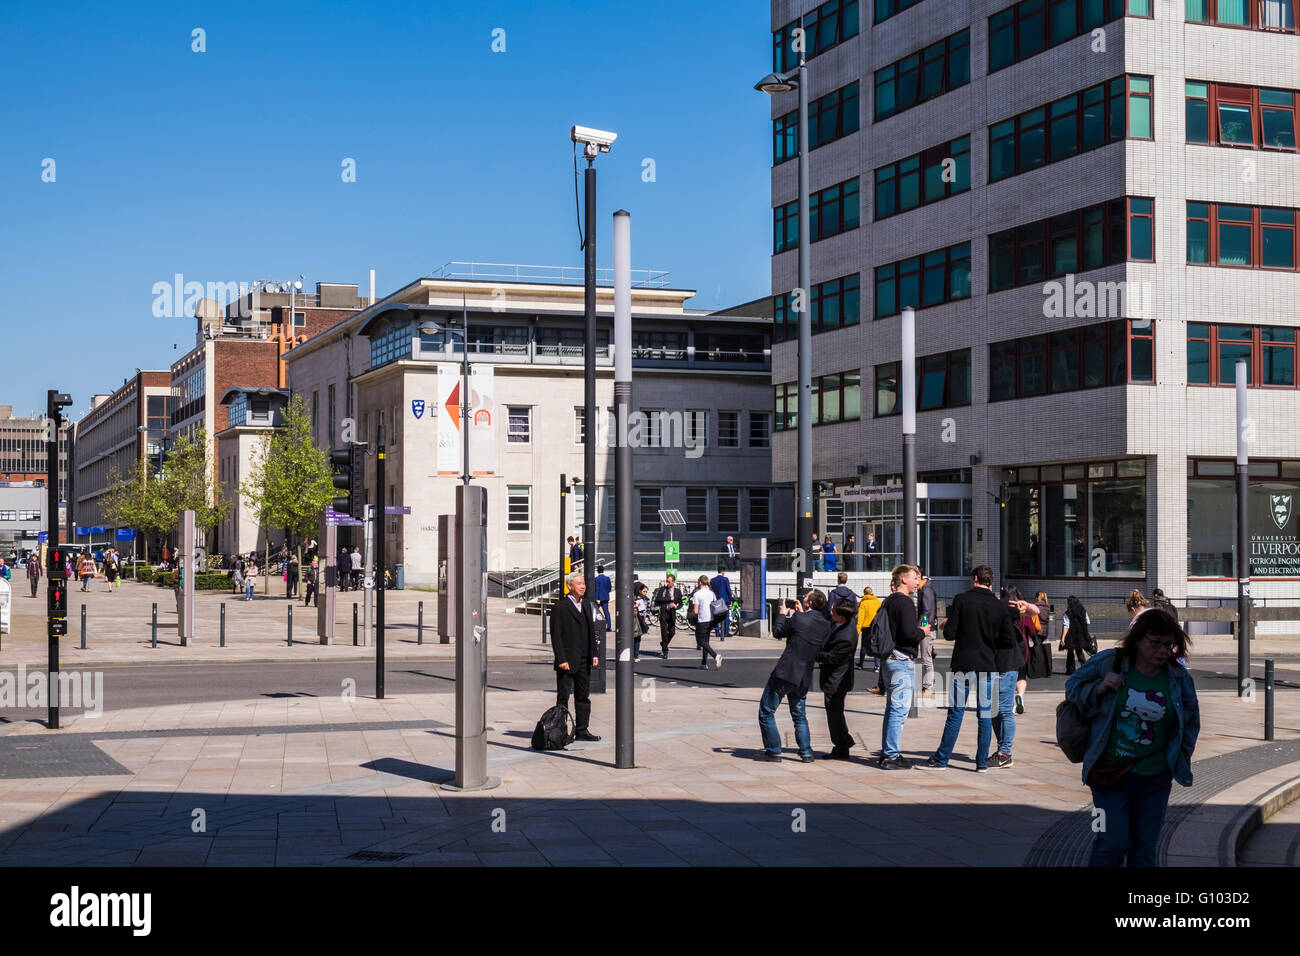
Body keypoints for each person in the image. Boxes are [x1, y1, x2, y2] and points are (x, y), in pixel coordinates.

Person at [1066, 609, 1199, 867]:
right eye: (1155, 643)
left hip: (1155, 778)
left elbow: (1191, 723)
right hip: (1108, 775)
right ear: (1138, 639)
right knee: (1110, 843)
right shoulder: (1110, 662)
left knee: (1145, 851)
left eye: (1168, 645)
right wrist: (1099, 687)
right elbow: (1073, 686)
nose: (1162, 651)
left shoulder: (1179, 678)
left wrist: (1179, 757)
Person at [924, 565, 1018, 772]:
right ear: (990, 581)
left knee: (955, 713)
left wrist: (948, 626)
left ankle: (942, 759)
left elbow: (949, 633)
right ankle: (981, 762)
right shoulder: (999, 606)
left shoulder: (962, 600)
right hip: (988, 664)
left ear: (974, 578)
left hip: (963, 663)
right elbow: (1009, 640)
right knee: (985, 714)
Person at [758, 589, 833, 762]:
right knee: (799, 715)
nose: (802, 599)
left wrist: (783, 614)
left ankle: (773, 750)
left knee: (766, 711)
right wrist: (801, 614)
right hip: (804, 675)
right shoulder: (825, 624)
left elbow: (778, 632)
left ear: (810, 603)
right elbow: (805, 632)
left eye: (805, 597)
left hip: (786, 672)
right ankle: (806, 752)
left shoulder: (799, 618)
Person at [878, 565, 930, 769]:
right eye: (914, 578)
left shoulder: (889, 601)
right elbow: (909, 634)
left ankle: (888, 752)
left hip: (889, 657)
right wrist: (923, 632)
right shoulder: (906, 603)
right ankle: (891, 755)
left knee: (892, 708)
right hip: (901, 660)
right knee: (899, 709)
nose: (918, 582)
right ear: (904, 580)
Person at [548, 570, 601, 742]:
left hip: (584, 659)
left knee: (583, 697)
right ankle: (560, 730)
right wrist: (561, 659)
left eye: (584, 584)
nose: (583, 587)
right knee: (563, 697)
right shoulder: (560, 608)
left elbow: (591, 632)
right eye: (579, 584)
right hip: (567, 660)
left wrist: (594, 653)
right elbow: (556, 637)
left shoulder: (586, 604)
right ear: (570, 586)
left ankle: (582, 730)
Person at [819, 596, 860, 759]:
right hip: (834, 678)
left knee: (834, 714)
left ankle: (842, 744)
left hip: (837, 680)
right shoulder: (842, 623)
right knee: (835, 713)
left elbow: (832, 658)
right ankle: (843, 742)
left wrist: (814, 654)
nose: (831, 611)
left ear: (841, 615)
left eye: (834, 610)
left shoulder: (846, 636)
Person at [688, 574, 722, 670]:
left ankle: (716, 656)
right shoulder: (711, 593)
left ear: (699, 582)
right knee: (706, 642)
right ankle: (704, 663)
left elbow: (695, 611)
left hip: (702, 620)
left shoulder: (697, 594)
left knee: (700, 641)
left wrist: (689, 615)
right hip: (711, 619)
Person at [915, 571, 938, 697]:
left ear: (919, 576)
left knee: (926, 659)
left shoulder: (926, 590)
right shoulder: (925, 589)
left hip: (926, 629)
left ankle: (928, 687)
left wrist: (922, 627)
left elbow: (926, 611)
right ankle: (927, 686)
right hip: (927, 627)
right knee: (926, 658)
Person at [1060, 595, 1094, 674]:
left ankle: (1070, 670)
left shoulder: (1068, 613)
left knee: (1070, 652)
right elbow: (1088, 622)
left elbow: (1066, 626)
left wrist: (1063, 637)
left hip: (1071, 635)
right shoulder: (1083, 611)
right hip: (1081, 634)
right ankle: (1085, 668)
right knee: (1079, 651)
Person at [855, 585, 883, 669]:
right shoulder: (878, 602)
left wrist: (857, 631)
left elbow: (860, 618)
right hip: (876, 626)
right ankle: (877, 665)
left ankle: (861, 664)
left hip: (866, 626)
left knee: (864, 645)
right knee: (876, 644)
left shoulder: (863, 603)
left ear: (864, 593)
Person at [710, 566, 733, 638]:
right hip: (725, 601)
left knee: (716, 616)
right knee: (726, 616)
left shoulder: (713, 580)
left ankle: (717, 632)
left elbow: (711, 590)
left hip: (716, 600)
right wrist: (731, 599)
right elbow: (728, 590)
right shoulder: (725, 579)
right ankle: (725, 632)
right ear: (722, 571)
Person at [633, 581, 652, 662]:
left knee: (638, 637)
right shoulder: (634, 598)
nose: (645, 593)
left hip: (642, 619)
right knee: (635, 636)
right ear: (640, 591)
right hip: (635, 619)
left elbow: (648, 608)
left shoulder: (646, 599)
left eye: (646, 592)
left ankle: (636, 654)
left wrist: (647, 616)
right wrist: (635, 606)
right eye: (644, 591)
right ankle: (634, 654)